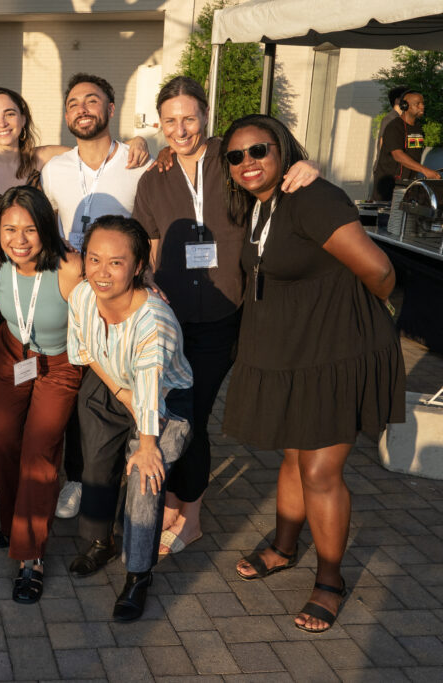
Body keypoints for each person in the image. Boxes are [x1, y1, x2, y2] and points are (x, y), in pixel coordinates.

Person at [221, 115, 404, 633]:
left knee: (320, 471)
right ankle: (283, 548)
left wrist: (360, 322)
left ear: (282, 149)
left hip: (337, 353)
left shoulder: (312, 198)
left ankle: (330, 580)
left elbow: (380, 272)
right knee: (293, 455)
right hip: (294, 354)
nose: (248, 162)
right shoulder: (259, 204)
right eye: (236, 156)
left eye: (259, 150)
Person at [133, 76, 319, 554]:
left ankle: (191, 517)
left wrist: (308, 167)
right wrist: (148, 292)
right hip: (171, 318)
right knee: (172, 412)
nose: (180, 130)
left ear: (205, 116)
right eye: (169, 121)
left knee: (191, 414)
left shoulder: (233, 159)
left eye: (188, 118)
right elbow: (150, 247)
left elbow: (277, 167)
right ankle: (173, 501)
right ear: (160, 124)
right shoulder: (154, 178)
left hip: (223, 316)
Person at [65, 215, 193, 623]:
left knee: (144, 479)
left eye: (116, 262)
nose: (102, 272)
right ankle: (100, 541)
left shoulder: (155, 321)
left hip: (163, 401)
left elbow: (150, 390)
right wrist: (120, 394)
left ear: (139, 266)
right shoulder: (82, 295)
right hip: (112, 381)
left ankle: (138, 574)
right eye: (94, 259)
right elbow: (85, 351)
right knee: (96, 463)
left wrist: (148, 446)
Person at [41, 73, 154, 520]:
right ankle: (78, 477)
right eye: (73, 103)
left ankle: (133, 471)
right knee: (77, 385)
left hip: (124, 293)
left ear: (111, 108)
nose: (82, 109)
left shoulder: (139, 161)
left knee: (126, 379)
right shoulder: (55, 169)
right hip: (75, 291)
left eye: (92, 100)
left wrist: (146, 141)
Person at [0, 186, 84, 603]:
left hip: (58, 363)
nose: (19, 240)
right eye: (9, 229)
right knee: (3, 439)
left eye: (30, 229)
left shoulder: (69, 267)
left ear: (46, 227)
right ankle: (12, 523)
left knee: (38, 451)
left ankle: (31, 555)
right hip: (12, 354)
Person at [0, 86, 151, 212]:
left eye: (10, 114)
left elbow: (94, 150)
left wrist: (136, 141)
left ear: (23, 119)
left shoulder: (44, 158)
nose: (2, 123)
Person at [372, 89, 440, 201]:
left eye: (423, 103)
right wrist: (425, 170)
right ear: (405, 105)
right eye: (417, 104)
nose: (422, 107)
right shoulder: (394, 126)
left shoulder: (418, 128)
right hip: (389, 186)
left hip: (407, 186)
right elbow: (398, 155)